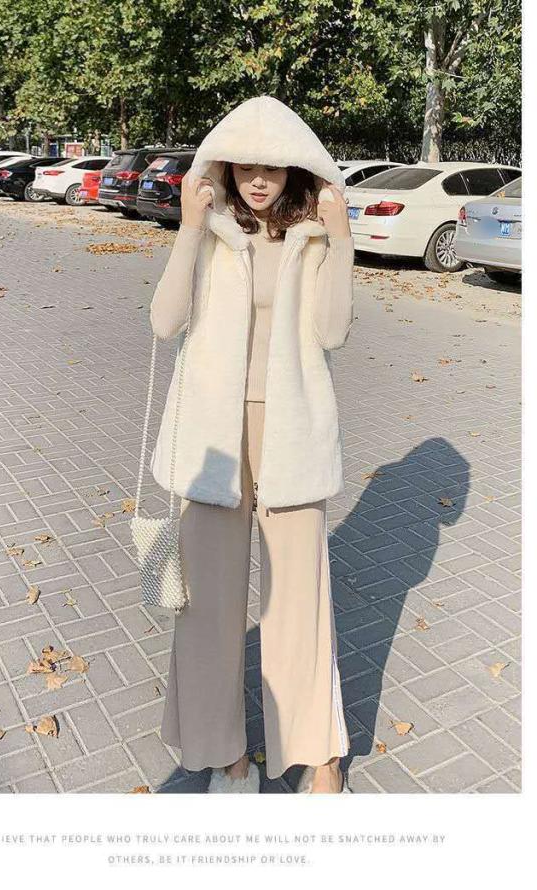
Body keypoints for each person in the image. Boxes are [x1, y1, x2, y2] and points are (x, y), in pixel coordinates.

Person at [148, 96, 354, 793]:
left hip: (291, 428)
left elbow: (332, 333)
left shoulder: (311, 237)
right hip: (214, 434)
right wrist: (187, 229)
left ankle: (318, 751)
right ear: (225, 166)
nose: (258, 180)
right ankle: (222, 750)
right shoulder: (211, 232)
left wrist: (342, 239)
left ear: (295, 168)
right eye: (245, 167)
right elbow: (164, 321)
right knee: (208, 603)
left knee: (299, 597)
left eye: (273, 167)